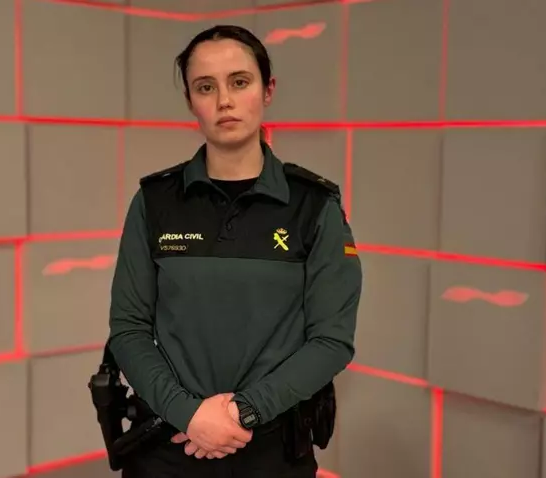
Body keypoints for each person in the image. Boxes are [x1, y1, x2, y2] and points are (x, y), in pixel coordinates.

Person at [106, 24, 363, 478]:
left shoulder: (314, 206)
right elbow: (129, 328)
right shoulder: (155, 201)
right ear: (191, 101)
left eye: (239, 82)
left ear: (267, 90)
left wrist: (240, 413)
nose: (224, 100)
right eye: (206, 87)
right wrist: (188, 414)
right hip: (166, 449)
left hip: (273, 452)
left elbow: (331, 341)